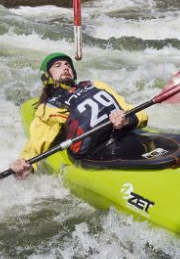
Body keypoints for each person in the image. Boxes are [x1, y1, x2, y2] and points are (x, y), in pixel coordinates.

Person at [9, 53, 148, 178]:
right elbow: (36, 141)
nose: (65, 67)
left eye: (68, 65)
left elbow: (135, 111)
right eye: (57, 66)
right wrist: (25, 162)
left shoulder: (97, 85)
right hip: (97, 154)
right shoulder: (49, 108)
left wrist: (126, 119)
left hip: (128, 136)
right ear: (47, 76)